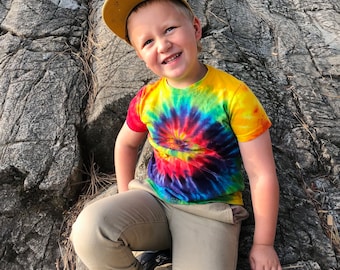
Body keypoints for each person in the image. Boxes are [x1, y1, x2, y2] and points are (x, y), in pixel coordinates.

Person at [70, 0, 282, 269]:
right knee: (90, 231)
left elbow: (261, 173)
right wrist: (125, 194)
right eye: (147, 42)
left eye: (169, 29)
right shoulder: (148, 98)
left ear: (195, 28)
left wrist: (263, 244)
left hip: (208, 215)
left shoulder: (234, 96)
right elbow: (125, 144)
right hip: (154, 201)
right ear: (139, 55)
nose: (162, 45)